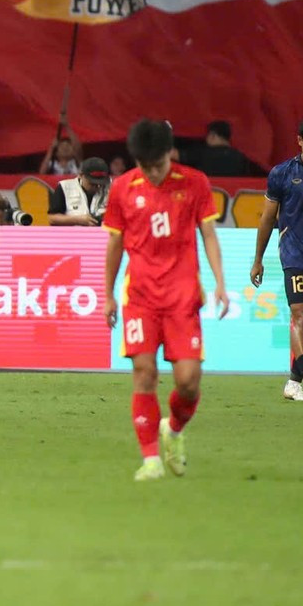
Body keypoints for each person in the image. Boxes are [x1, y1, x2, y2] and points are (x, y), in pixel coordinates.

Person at [103, 118, 229, 482]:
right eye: (145, 166)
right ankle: (151, 460)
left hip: (182, 297)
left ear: (170, 154)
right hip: (140, 296)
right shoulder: (123, 189)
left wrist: (220, 283)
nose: (153, 173)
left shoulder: (195, 183)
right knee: (145, 373)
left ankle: (172, 430)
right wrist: (108, 294)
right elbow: (114, 245)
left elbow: (208, 235)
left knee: (188, 381)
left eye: (158, 165)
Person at [252, 114, 303, 402]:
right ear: (300, 141)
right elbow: (268, 218)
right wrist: (258, 259)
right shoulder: (281, 173)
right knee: (302, 316)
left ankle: (294, 382)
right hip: (295, 255)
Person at [47, 156, 111, 226]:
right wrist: (77, 220)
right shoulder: (65, 187)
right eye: (92, 183)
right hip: (74, 234)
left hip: (105, 233)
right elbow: (51, 218)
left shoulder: (111, 188)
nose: (97, 186)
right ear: (81, 175)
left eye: (101, 183)